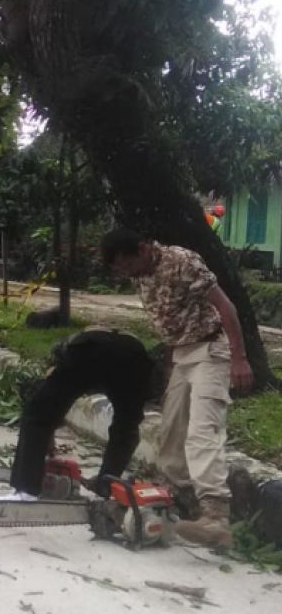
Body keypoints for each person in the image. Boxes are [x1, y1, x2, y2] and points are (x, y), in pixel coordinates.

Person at [100, 227, 254, 548]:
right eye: (121, 270)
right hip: (182, 355)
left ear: (142, 248)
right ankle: (173, 496)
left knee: (202, 430)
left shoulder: (182, 261)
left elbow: (226, 307)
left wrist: (240, 358)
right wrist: (171, 367)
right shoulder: (141, 275)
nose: (127, 273)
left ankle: (216, 517)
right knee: (171, 432)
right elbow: (168, 322)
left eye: (127, 265)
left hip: (211, 350)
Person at [0, 329, 156, 501]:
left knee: (37, 415)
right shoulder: (125, 344)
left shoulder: (68, 353)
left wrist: (46, 435)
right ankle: (106, 484)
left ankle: (26, 490)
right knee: (126, 425)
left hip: (90, 351)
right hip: (134, 356)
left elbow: (47, 409)